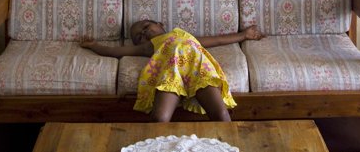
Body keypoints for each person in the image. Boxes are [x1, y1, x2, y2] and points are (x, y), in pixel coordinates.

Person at [80, 20, 264, 122]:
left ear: (160, 24)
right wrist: (94, 45)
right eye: (139, 37)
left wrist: (244, 35)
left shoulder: (184, 36)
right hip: (170, 75)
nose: (145, 33)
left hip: (198, 71)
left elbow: (217, 40)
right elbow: (115, 51)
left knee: (221, 114)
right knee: (159, 118)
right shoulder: (150, 46)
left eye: (146, 27)